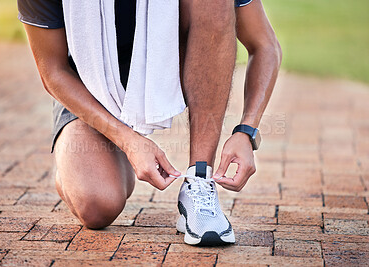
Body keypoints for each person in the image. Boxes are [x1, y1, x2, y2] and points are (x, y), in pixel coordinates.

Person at [18, 0, 281, 246]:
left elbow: (264, 45)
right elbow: (53, 71)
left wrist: (247, 131)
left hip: (167, 66)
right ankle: (79, 157)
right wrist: (128, 141)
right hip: (90, 87)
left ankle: (199, 180)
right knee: (97, 205)